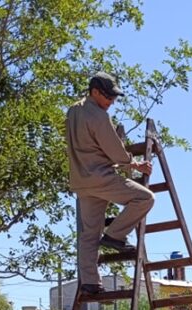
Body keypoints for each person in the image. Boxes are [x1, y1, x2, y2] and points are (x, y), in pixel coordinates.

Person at [65, 71, 155, 294]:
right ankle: (115, 235)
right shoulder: (98, 116)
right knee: (144, 198)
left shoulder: (73, 110)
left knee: (88, 234)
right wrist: (134, 165)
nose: (111, 102)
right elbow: (115, 151)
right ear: (95, 92)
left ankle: (89, 282)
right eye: (109, 97)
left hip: (80, 181)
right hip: (100, 176)